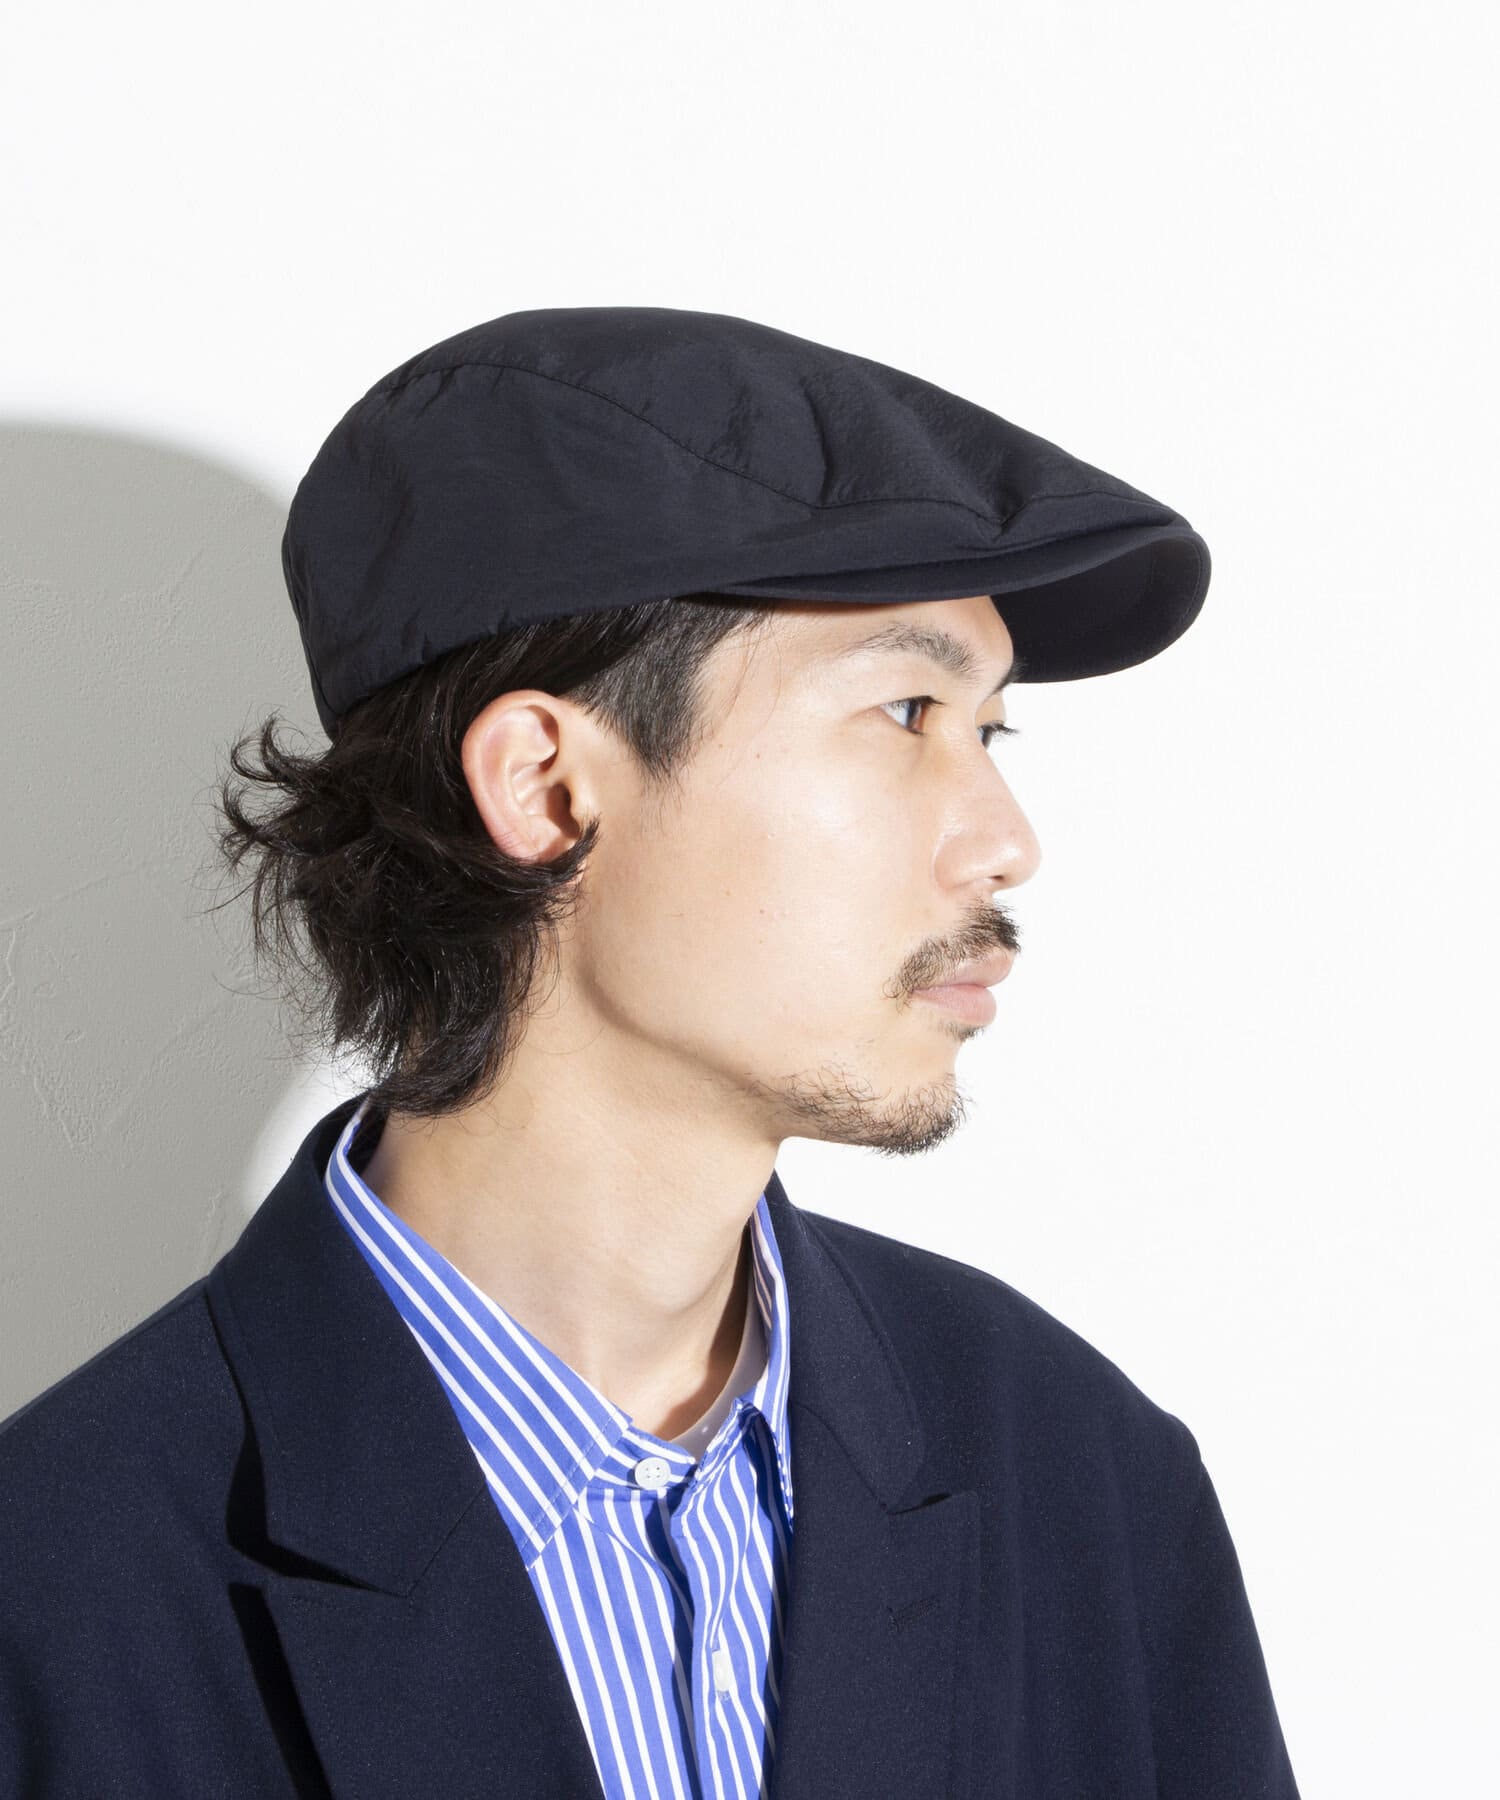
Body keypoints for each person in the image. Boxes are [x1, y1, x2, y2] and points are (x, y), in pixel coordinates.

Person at [0, 307, 1301, 1797]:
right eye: (906, 712)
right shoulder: (61, 1591)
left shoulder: (1072, 1470)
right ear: (547, 786)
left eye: (989, 734)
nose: (1006, 844)